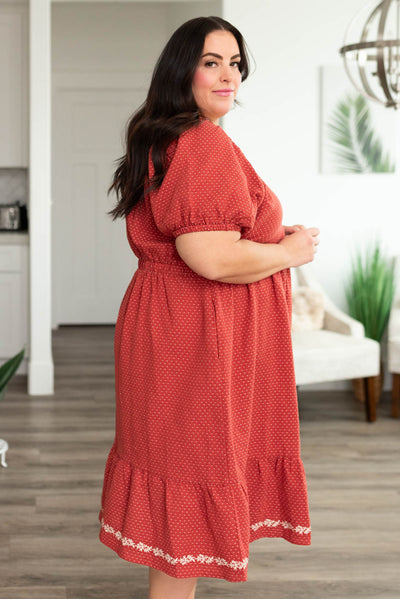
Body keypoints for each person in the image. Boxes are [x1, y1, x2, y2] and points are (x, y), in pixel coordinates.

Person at [98, 15, 320, 599]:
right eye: (211, 61)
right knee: (191, 489)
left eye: (236, 63)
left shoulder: (169, 136)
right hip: (196, 338)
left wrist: (270, 241)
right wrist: (291, 252)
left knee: (178, 498)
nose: (229, 76)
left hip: (171, 327)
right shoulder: (201, 144)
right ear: (182, 69)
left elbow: (211, 237)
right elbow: (212, 259)